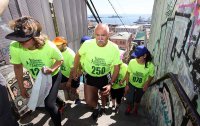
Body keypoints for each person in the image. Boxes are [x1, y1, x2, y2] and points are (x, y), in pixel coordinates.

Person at [6, 16, 64, 126]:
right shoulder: (15, 47)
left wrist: (52, 69)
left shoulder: (48, 46)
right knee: (49, 95)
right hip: (39, 78)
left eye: (24, 40)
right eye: (18, 39)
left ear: (35, 37)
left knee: (49, 104)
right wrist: (21, 87)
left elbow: (60, 60)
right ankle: (61, 103)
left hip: (54, 75)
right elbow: (17, 67)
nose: (20, 43)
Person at [73, 23, 121, 120]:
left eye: (103, 35)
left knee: (103, 95)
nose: (100, 38)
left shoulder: (114, 48)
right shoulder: (87, 44)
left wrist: (111, 84)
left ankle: (102, 107)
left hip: (104, 76)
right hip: (89, 75)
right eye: (97, 35)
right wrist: (76, 69)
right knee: (89, 101)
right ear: (94, 34)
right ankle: (97, 107)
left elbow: (117, 68)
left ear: (108, 35)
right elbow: (78, 56)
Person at [123, 45, 155, 115]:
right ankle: (129, 107)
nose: (136, 58)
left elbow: (151, 76)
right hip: (131, 84)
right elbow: (128, 73)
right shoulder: (132, 62)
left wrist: (147, 83)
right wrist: (127, 84)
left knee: (137, 99)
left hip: (141, 86)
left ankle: (135, 109)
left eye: (138, 57)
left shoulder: (150, 66)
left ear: (144, 56)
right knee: (129, 98)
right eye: (135, 56)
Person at [52, 36, 80, 104]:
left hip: (73, 75)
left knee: (73, 90)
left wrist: (69, 81)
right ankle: (68, 97)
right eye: (55, 45)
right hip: (63, 74)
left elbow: (72, 70)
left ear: (64, 45)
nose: (56, 47)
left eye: (58, 45)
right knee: (63, 87)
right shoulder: (56, 51)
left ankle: (77, 99)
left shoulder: (70, 54)